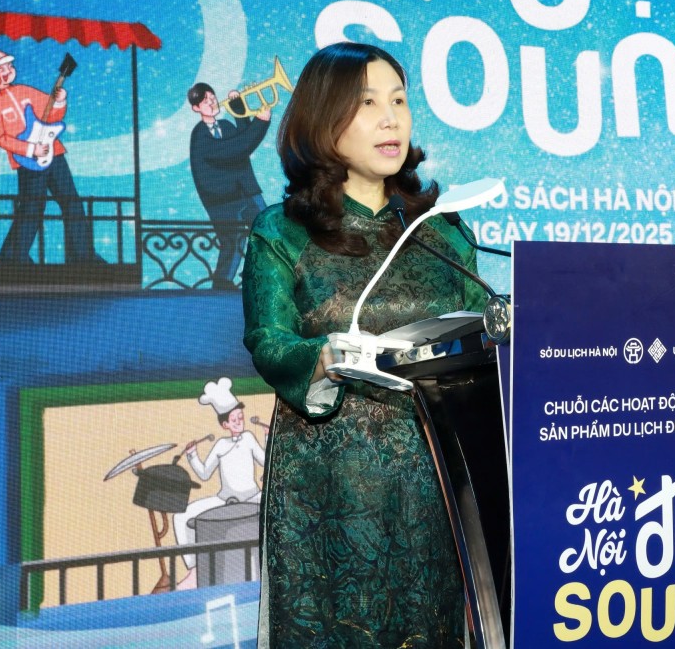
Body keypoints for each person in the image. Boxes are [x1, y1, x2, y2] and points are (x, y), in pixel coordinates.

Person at [241, 42, 487, 647]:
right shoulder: (282, 229)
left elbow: (481, 336)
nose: (390, 119)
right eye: (368, 103)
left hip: (436, 475)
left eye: (399, 101)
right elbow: (267, 339)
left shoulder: (441, 230)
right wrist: (321, 357)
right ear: (323, 120)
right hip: (327, 481)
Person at [0, 49, 102, 265]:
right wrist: (29, 149)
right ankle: (13, 258)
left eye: (9, 66)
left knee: (71, 202)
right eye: (2, 68)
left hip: (54, 153)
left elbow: (51, 115)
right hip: (27, 161)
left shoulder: (25, 91)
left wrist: (59, 102)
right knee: (32, 207)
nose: (8, 70)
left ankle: (82, 255)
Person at [173, 377, 266, 590]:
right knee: (181, 516)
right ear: (225, 424)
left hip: (253, 497)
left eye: (240, 418)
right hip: (224, 500)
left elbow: (266, 462)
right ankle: (194, 568)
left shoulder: (249, 438)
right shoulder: (221, 445)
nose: (239, 422)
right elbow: (204, 474)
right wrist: (192, 455)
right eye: (234, 420)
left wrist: (268, 438)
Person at [188, 82, 270, 289]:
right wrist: (261, 123)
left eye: (212, 97)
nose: (212, 102)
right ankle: (222, 282)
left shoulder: (225, 126)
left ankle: (258, 273)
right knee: (232, 241)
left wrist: (238, 107)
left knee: (266, 231)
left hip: (247, 190)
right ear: (196, 108)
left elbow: (243, 136)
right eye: (205, 101)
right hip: (222, 199)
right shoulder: (200, 135)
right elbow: (235, 149)